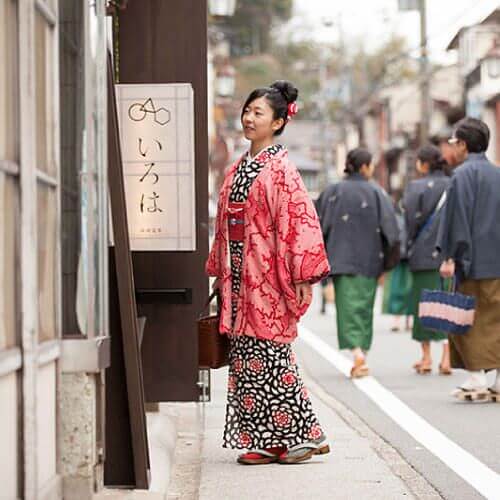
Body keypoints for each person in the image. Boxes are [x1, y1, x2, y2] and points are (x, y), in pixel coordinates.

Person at [206, 81, 331, 465]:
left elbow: (298, 222)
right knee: (246, 357)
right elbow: (225, 224)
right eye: (247, 111)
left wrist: (302, 276)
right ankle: (264, 440)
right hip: (240, 275)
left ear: (278, 122)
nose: (248, 117)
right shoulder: (239, 167)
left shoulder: (282, 170)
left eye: (258, 113)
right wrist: (220, 268)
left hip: (268, 273)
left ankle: (305, 435)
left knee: (272, 355)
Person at [317, 148, 399, 378]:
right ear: (365, 167)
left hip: (340, 260)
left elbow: (318, 227)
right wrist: (388, 263)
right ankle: (361, 351)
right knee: (364, 307)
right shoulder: (377, 192)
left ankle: (356, 353)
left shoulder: (332, 191)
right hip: (371, 260)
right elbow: (391, 230)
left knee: (347, 308)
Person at [437, 117, 500, 400]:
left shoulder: (462, 175)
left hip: (472, 261)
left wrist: (451, 255)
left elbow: (457, 220)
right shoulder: (497, 174)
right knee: (496, 320)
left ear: (463, 144)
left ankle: (476, 378)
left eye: (454, 143)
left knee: (469, 320)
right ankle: (497, 380)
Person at [403, 145, 451, 375]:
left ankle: (426, 357)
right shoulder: (453, 184)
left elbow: (410, 222)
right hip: (449, 256)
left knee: (423, 305)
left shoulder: (416, 187)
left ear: (423, 163)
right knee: (447, 304)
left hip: (422, 254)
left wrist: (408, 246)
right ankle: (447, 357)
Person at [382, 194, 413, 332]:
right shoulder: (400, 219)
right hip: (402, 258)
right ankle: (400, 318)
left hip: (405, 258)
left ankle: (404, 318)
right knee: (400, 289)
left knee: (403, 289)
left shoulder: (398, 219)